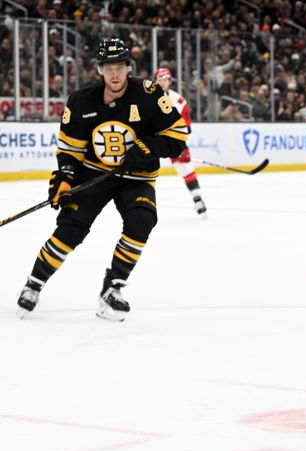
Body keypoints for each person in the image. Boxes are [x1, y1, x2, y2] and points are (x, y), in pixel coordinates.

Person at [16, 38, 188, 321]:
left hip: (137, 177)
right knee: (71, 229)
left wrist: (149, 148)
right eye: (109, 69)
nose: (115, 75)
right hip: (95, 174)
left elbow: (178, 136)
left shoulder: (149, 94)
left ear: (128, 67)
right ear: (99, 70)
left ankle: (113, 287)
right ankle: (34, 283)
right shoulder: (81, 101)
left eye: (120, 67)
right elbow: (69, 151)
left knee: (142, 220)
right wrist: (66, 178)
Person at [155, 67, 207, 217]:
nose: (163, 83)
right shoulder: (148, 98)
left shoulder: (179, 102)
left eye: (165, 80)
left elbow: (187, 130)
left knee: (185, 167)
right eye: (160, 79)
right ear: (155, 81)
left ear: (170, 82)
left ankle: (198, 199)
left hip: (172, 141)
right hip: (152, 140)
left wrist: (182, 146)